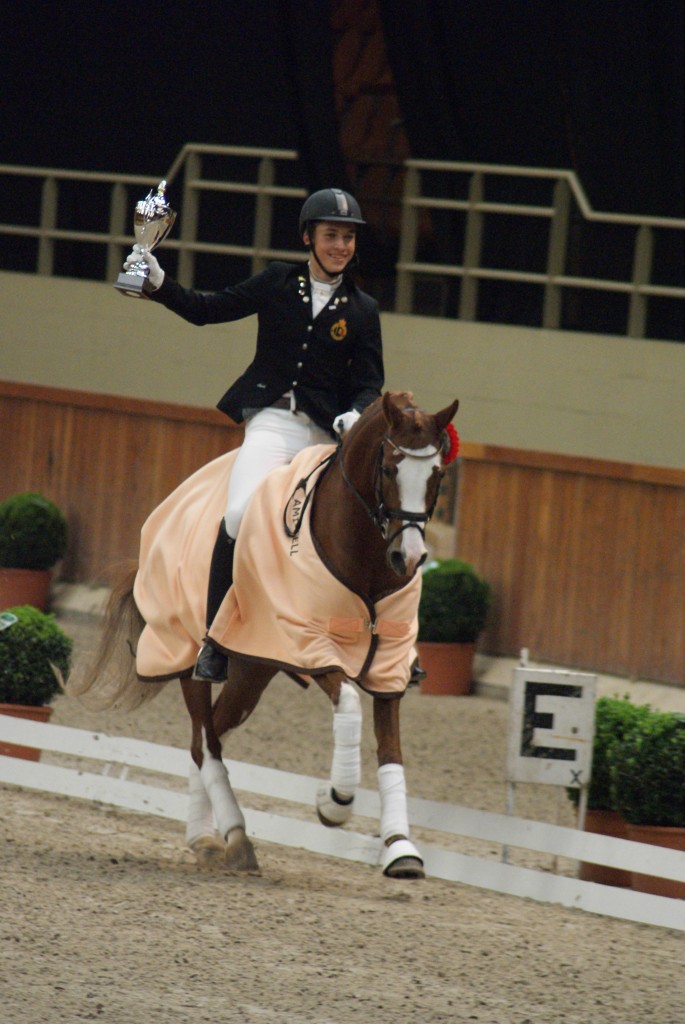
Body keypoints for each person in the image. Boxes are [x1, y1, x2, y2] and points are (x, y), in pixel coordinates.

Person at [123, 187, 384, 683]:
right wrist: (158, 282)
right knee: (241, 513)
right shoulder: (278, 282)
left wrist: (356, 412)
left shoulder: (363, 308)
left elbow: (369, 380)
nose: (340, 246)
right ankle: (216, 642)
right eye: (332, 236)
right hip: (274, 423)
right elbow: (207, 309)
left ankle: (367, 640)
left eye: (348, 238)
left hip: (323, 437)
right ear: (309, 237)